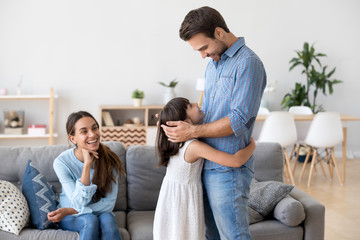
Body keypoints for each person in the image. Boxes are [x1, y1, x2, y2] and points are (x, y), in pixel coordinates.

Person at [161, 6, 267, 240]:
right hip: (204, 166)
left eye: (204, 48)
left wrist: (191, 131)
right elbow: (207, 112)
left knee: (234, 236)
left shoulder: (248, 63)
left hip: (227, 171)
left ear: (219, 32)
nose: (202, 55)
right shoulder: (213, 65)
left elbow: (238, 120)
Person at [153, 97, 256, 240]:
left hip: (170, 201)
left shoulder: (174, 143)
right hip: (182, 204)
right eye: (190, 105)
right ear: (185, 123)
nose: (196, 104)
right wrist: (252, 145)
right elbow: (236, 161)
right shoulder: (193, 147)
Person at [47, 111, 125, 240]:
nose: (93, 134)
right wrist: (87, 165)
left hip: (73, 211)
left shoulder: (110, 159)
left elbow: (108, 205)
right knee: (90, 220)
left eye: (94, 128)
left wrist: (72, 210)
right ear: (73, 139)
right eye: (84, 131)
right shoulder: (61, 162)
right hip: (70, 216)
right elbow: (77, 202)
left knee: (108, 219)